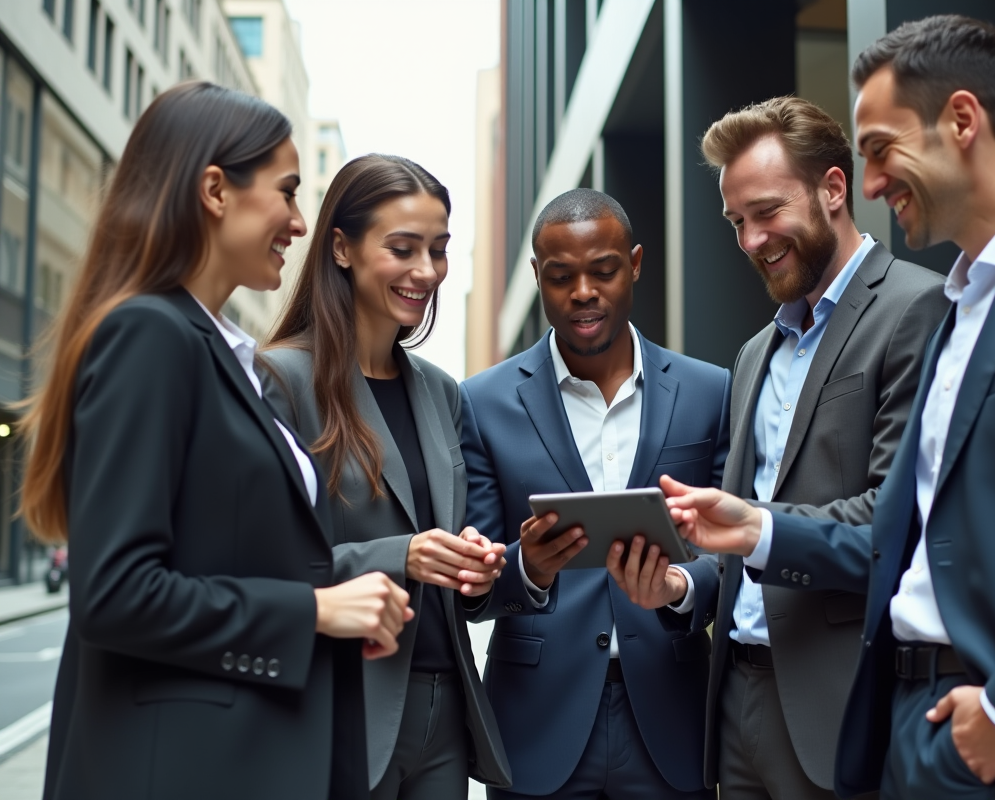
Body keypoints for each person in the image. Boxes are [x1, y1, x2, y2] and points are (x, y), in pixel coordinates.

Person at [660, 15, 995, 800]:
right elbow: (905, 533)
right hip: (915, 736)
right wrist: (753, 530)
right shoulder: (958, 308)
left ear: (962, 120)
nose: (873, 182)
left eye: (881, 148)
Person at [20, 81, 413, 800]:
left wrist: (335, 608)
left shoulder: (227, 358)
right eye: (287, 192)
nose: (298, 223)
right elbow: (114, 593)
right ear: (214, 190)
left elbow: (228, 557)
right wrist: (316, 611)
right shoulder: (149, 336)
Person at [609, 96, 946, 799]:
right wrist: (678, 587)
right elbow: (734, 538)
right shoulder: (755, 353)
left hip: (840, 701)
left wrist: (755, 529)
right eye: (737, 222)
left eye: (766, 212)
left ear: (832, 189)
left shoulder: (916, 308)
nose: (752, 240)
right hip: (735, 698)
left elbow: (899, 522)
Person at [459, 188, 730, 799]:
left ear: (634, 264)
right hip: (538, 723)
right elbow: (472, 590)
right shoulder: (482, 402)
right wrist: (526, 568)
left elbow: (733, 554)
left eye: (603, 270)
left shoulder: (709, 391)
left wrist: (681, 588)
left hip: (670, 716)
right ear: (537, 277)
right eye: (561, 277)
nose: (583, 291)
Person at [260, 154, 512, 800]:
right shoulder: (281, 379)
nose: (426, 272)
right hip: (341, 701)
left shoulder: (441, 392)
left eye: (439, 249)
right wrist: (402, 555)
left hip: (444, 709)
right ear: (340, 248)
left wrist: (475, 565)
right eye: (403, 249)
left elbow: (453, 563)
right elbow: (262, 563)